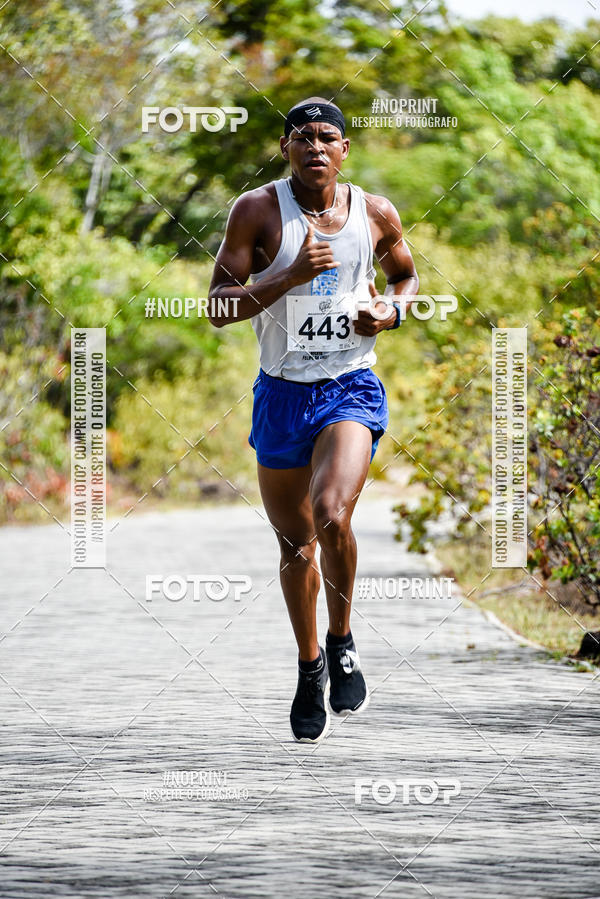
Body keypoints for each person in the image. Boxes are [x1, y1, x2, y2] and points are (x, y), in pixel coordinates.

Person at [208, 96, 418, 742]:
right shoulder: (258, 211)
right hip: (282, 393)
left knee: (333, 514)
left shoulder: (375, 212)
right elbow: (218, 306)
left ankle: (343, 635)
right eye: (303, 137)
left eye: (328, 137)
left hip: (349, 386)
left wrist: (392, 313)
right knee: (295, 543)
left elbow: (405, 276)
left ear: (345, 150)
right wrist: (289, 272)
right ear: (285, 148)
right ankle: (309, 665)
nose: (316, 146)